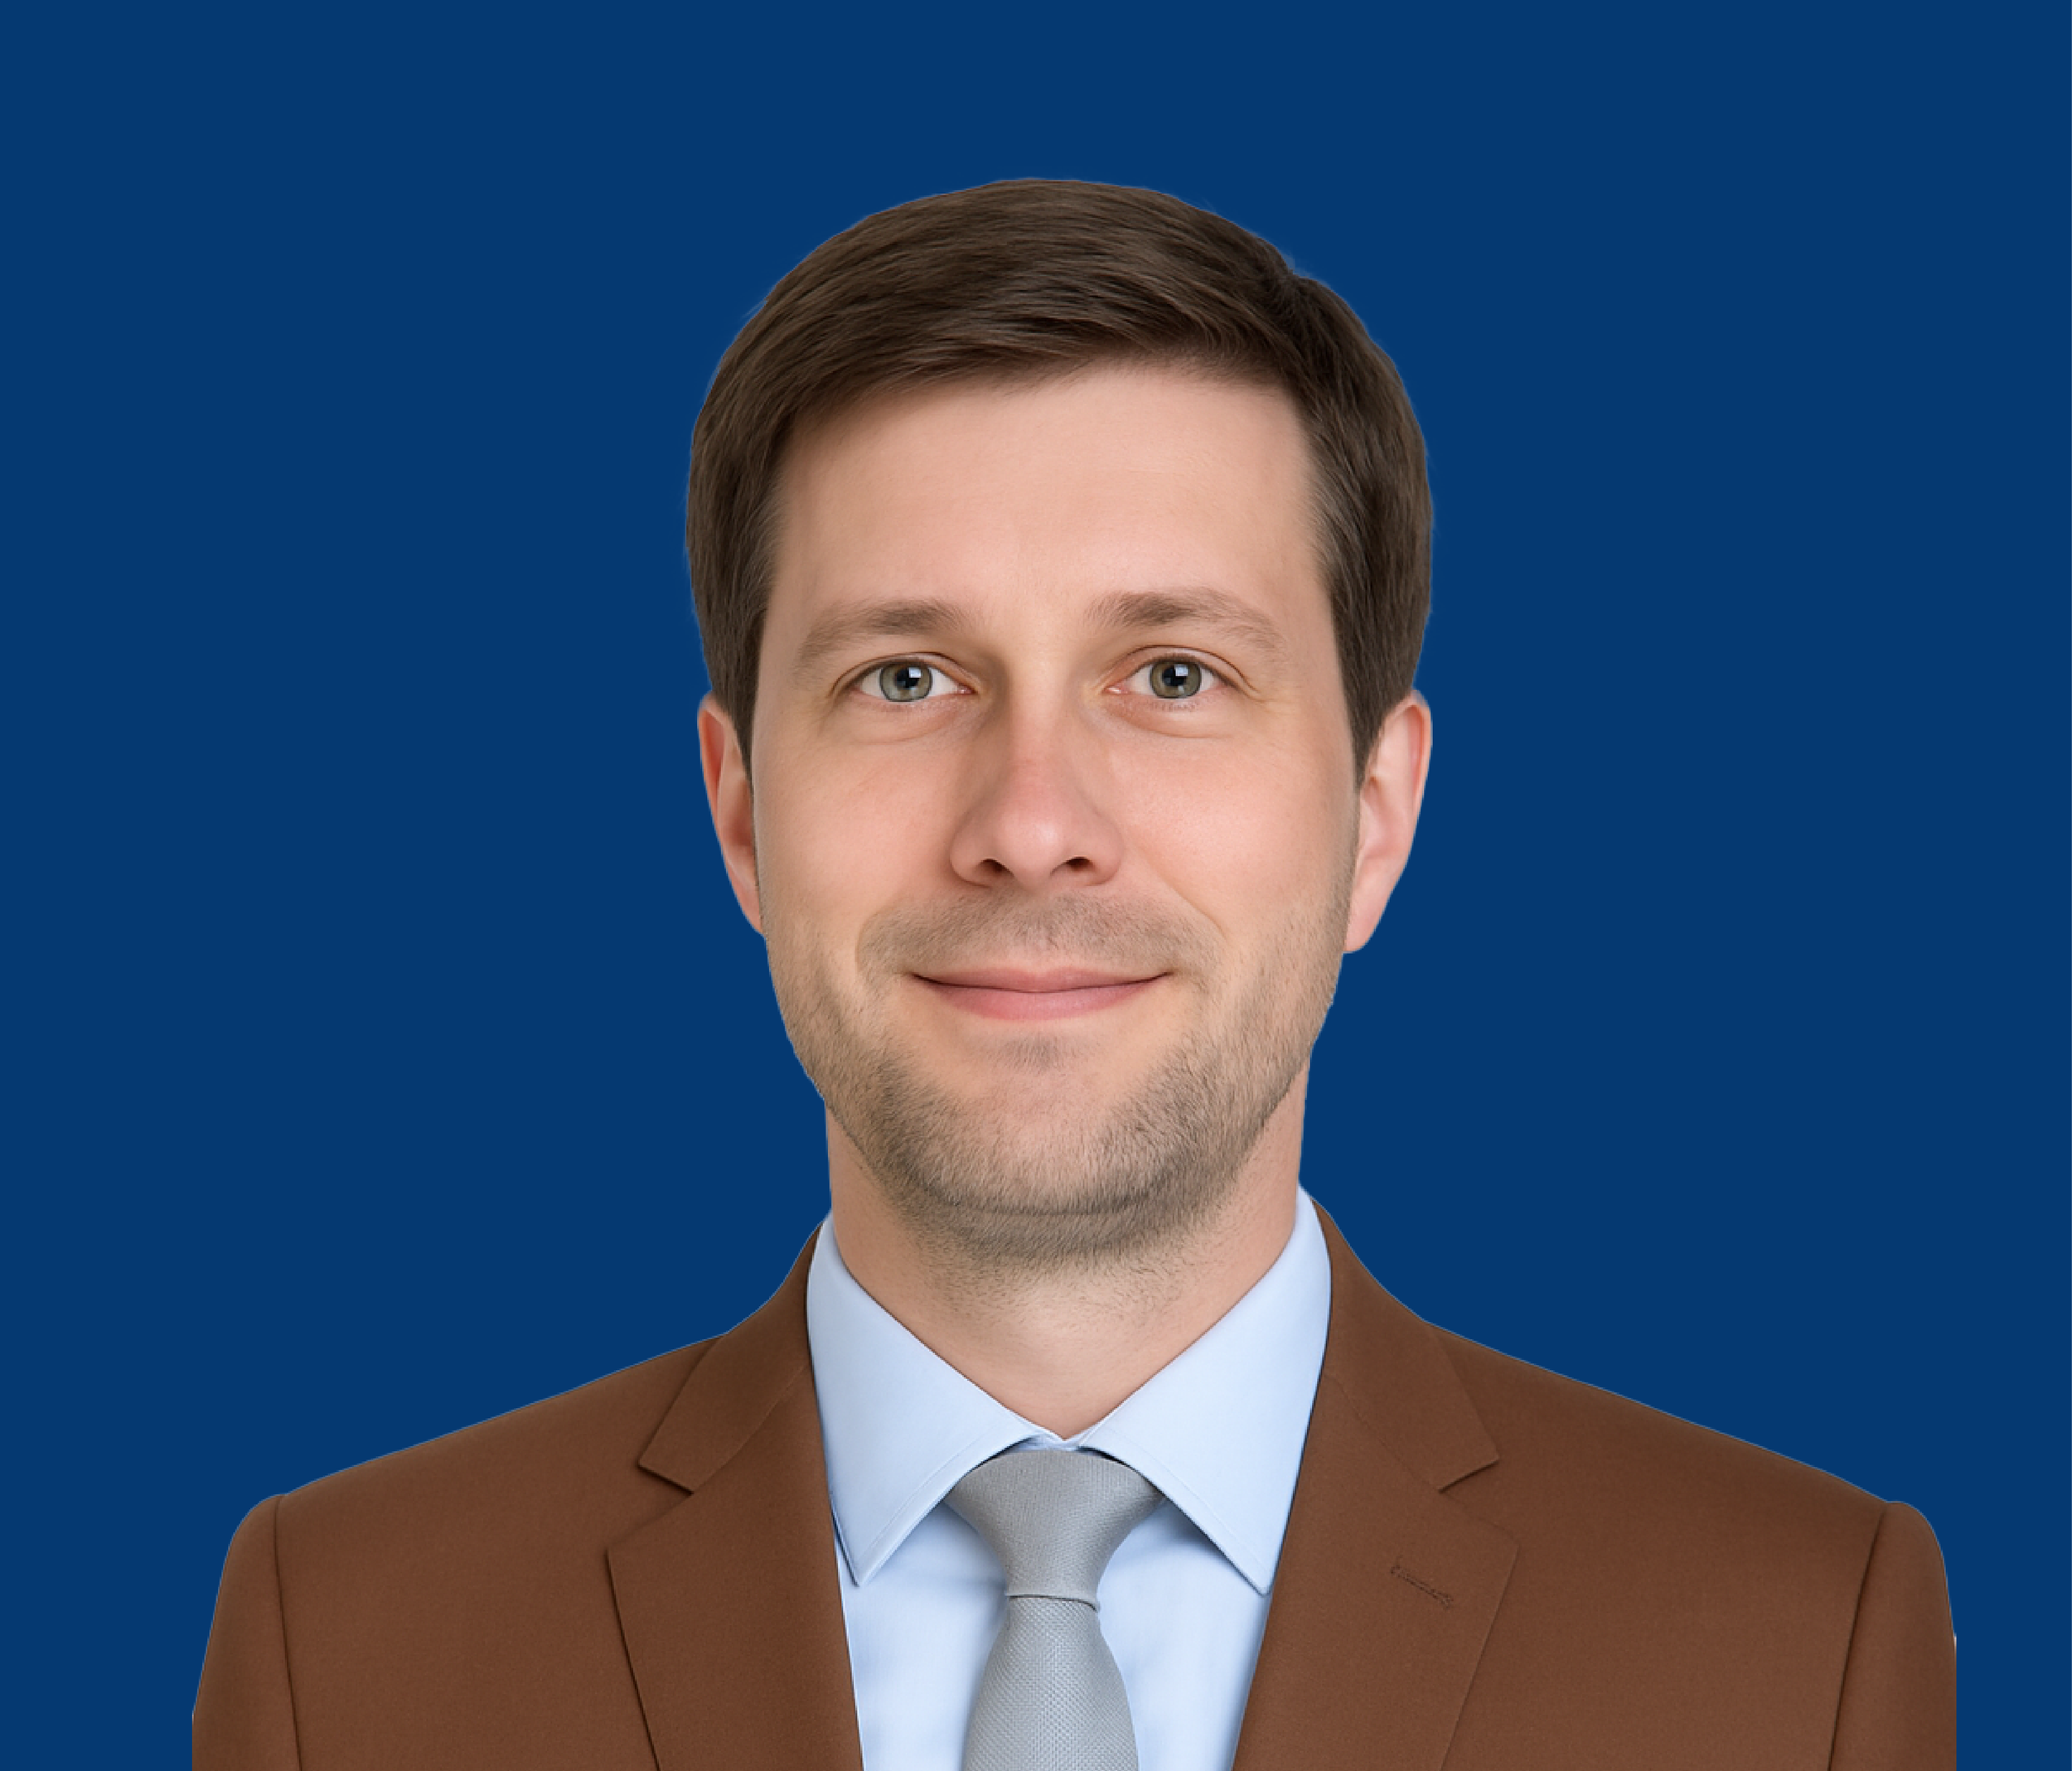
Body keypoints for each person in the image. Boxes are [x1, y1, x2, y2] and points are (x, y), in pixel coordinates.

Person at [193, 180, 1955, 1771]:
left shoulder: (1796, 1649)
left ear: (1374, 812)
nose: (1030, 825)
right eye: (904, 679)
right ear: (740, 816)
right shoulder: (336, 1650)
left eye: (1173, 676)